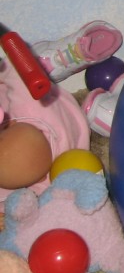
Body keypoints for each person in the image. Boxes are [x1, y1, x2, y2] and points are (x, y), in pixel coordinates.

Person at [0, 59, 91, 206]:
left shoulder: (37, 187)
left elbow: (13, 207)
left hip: (73, 126)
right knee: (30, 73)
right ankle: (48, 63)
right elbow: (20, 72)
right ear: (12, 123)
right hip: (55, 107)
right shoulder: (30, 108)